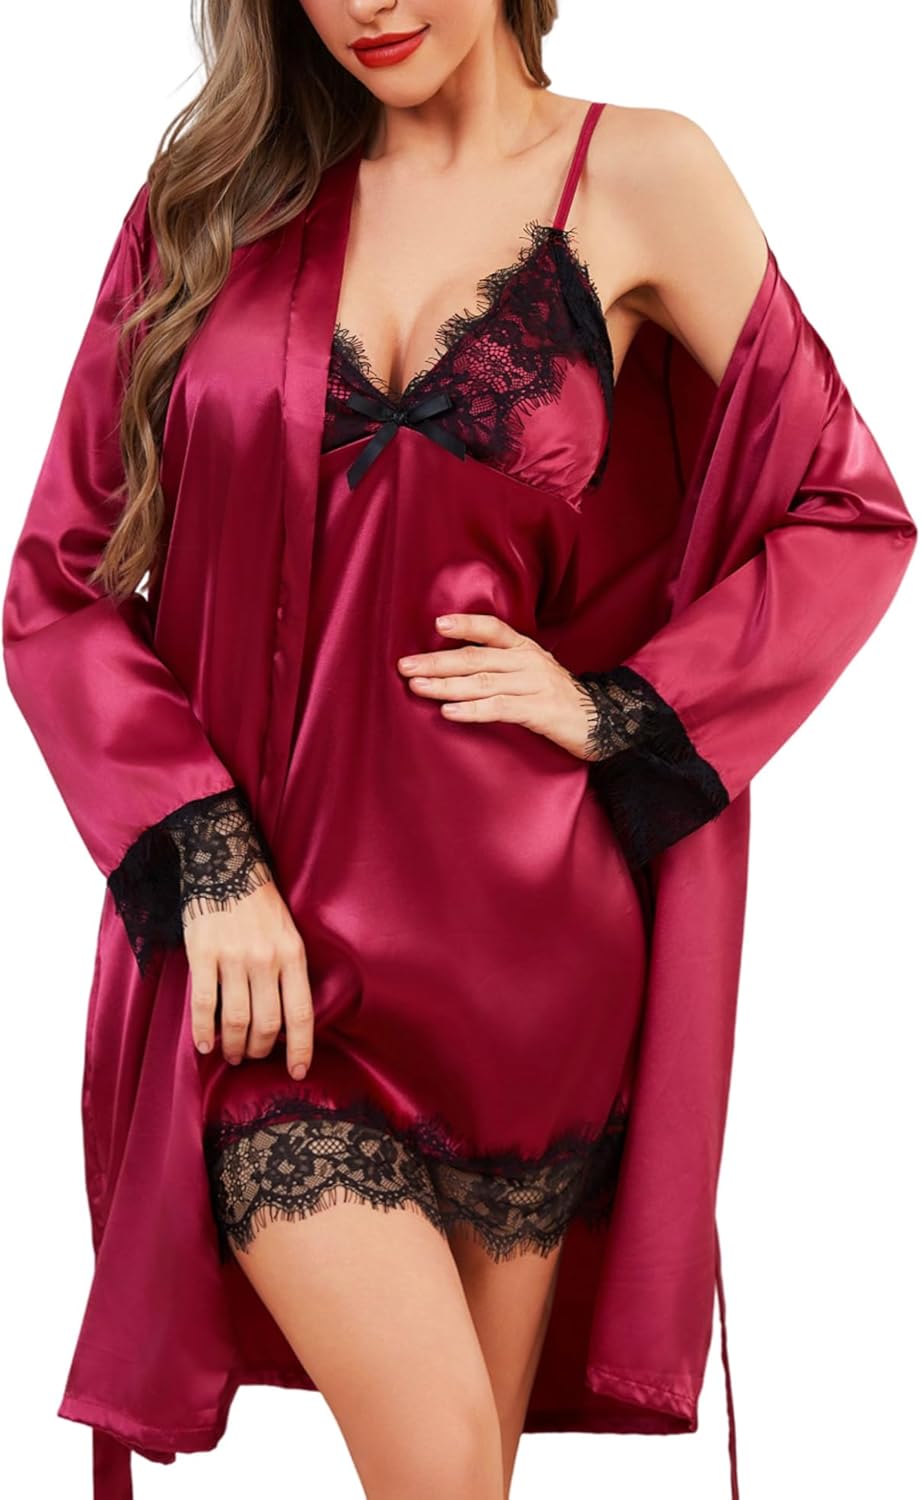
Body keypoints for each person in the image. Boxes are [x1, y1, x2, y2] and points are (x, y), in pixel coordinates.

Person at [4, 4, 915, 1499]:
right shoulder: (213, 202)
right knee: (439, 1470)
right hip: (272, 979)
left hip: (531, 966)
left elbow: (847, 510)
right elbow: (61, 581)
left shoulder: (646, 175)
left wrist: (619, 708)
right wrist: (207, 860)